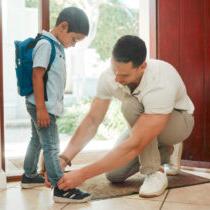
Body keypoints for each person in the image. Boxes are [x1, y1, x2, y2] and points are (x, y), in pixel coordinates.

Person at [56, 35, 195, 197]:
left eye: (124, 76)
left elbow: (135, 144)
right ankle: (164, 151)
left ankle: (154, 172)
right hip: (146, 122)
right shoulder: (110, 77)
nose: (117, 79)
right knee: (114, 175)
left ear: (142, 66)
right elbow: (92, 120)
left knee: (129, 105)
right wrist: (64, 158)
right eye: (115, 71)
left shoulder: (160, 80)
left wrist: (81, 174)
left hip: (178, 122)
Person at [21, 7, 92, 203]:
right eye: (75, 39)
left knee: (36, 140)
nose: (74, 44)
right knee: (52, 146)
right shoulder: (46, 44)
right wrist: (42, 109)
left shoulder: (56, 45)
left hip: (40, 105)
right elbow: (37, 74)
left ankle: (28, 175)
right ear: (63, 26)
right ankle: (61, 188)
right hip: (42, 107)